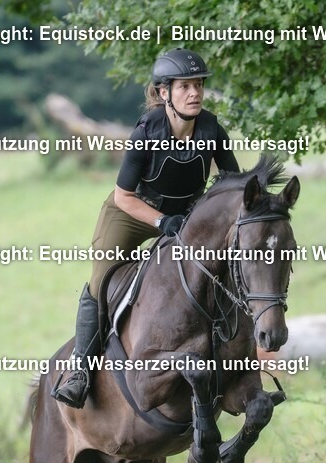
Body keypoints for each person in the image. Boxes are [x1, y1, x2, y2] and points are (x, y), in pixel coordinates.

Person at [52, 47, 240, 409]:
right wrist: (160, 221)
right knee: (101, 280)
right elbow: (123, 196)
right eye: (185, 86)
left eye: (199, 85)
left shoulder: (212, 129)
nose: (195, 92)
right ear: (164, 92)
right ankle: (80, 371)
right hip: (133, 212)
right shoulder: (145, 132)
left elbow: (232, 183)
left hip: (184, 215)